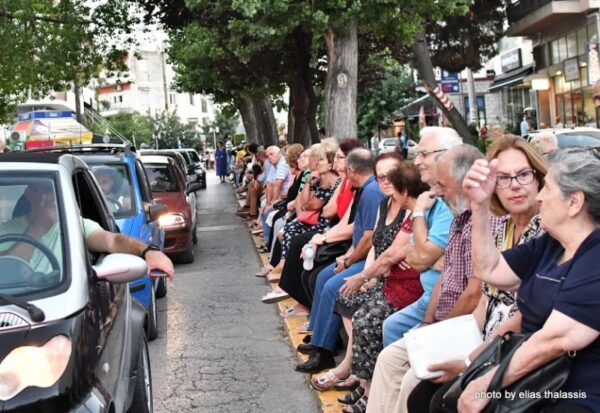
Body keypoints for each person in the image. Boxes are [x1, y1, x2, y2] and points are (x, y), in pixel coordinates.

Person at [407, 135, 547, 413]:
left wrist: (470, 361)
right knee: (421, 388)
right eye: (503, 178)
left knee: (437, 401)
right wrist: (441, 338)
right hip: (484, 339)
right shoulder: (504, 228)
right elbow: (484, 298)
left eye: (523, 174)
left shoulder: (546, 229)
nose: (514, 185)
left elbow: (524, 314)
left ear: (539, 179)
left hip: (518, 349)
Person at [457, 147, 600, 413]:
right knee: (432, 398)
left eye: (547, 188)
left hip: (577, 392)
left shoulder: (595, 255)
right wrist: (479, 206)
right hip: (535, 378)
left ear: (574, 202)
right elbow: (490, 269)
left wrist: (489, 383)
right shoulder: (551, 243)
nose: (539, 197)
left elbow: (557, 339)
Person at [367, 145, 502, 413]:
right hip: (442, 318)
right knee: (389, 359)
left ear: (466, 183)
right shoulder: (459, 218)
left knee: (412, 379)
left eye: (442, 186)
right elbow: (443, 275)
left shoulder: (487, 222)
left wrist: (437, 333)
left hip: (465, 327)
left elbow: (473, 294)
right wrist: (428, 324)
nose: (437, 192)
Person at [311, 162, 428, 413]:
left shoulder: (415, 210)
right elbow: (378, 246)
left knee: (365, 318)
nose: (383, 182)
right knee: (345, 298)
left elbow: (396, 254)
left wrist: (364, 276)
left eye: (388, 178)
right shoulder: (387, 205)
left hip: (403, 282)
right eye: (379, 177)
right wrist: (368, 276)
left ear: (404, 188)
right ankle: (358, 374)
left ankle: (368, 385)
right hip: (385, 275)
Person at [295, 149, 385, 374]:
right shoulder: (365, 189)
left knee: (333, 286)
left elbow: (369, 238)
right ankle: (320, 339)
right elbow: (358, 232)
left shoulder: (371, 192)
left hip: (370, 260)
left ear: (352, 170)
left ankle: (324, 353)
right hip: (358, 254)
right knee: (322, 277)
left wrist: (348, 261)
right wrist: (345, 258)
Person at [0, 181, 174, 279]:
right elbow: (7, 272)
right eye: (46, 190)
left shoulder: (74, 224)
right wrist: (39, 227)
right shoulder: (6, 229)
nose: (52, 196)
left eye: (55, 191)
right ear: (30, 194)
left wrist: (148, 251)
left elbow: (113, 240)